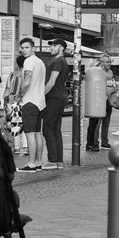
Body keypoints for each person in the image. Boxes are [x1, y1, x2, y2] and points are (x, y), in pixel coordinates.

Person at [16, 37, 46, 172]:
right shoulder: (40, 62)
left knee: (30, 134)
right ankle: (38, 162)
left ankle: (32, 164)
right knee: (38, 133)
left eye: (26, 47)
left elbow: (27, 82)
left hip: (30, 101)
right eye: (22, 48)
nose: (23, 50)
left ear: (33, 48)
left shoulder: (29, 61)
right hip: (40, 101)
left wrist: (19, 95)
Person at [42, 38, 69, 169]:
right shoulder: (63, 62)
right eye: (51, 45)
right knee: (56, 129)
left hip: (54, 97)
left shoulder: (58, 61)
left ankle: (52, 160)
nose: (51, 47)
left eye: (54, 45)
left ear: (62, 48)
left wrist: (41, 96)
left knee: (47, 128)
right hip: (60, 97)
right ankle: (59, 161)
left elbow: (52, 82)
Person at [86, 53, 116, 152]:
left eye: (110, 61)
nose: (109, 63)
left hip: (108, 99)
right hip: (99, 100)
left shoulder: (111, 72)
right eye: (107, 62)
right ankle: (94, 143)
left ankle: (104, 141)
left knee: (106, 122)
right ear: (101, 63)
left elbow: (111, 84)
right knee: (97, 123)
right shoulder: (98, 71)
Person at [3, 55, 26, 154]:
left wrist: (6, 102)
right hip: (24, 101)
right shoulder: (27, 75)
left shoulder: (13, 75)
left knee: (15, 124)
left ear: (17, 63)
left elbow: (8, 88)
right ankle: (25, 147)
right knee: (26, 125)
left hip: (12, 102)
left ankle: (16, 147)